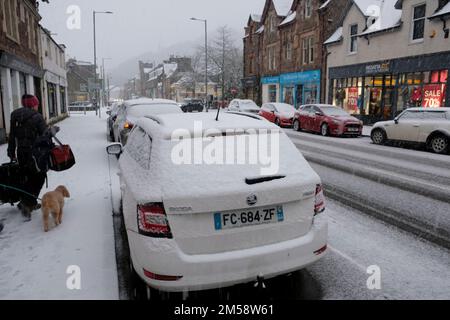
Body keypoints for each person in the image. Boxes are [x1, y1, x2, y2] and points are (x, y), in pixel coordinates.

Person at [7, 94, 47, 220]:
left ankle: (27, 202)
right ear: (32, 104)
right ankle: (27, 204)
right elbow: (45, 135)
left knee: (26, 177)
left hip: (21, 153)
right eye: (36, 104)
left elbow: (12, 136)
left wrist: (11, 152)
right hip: (34, 154)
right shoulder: (37, 117)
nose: (37, 106)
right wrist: (52, 132)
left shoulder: (14, 115)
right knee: (39, 177)